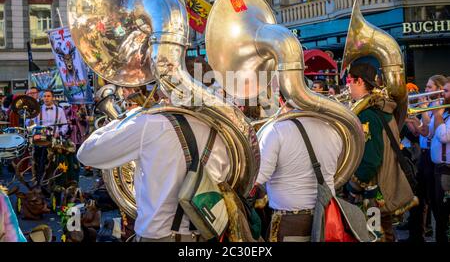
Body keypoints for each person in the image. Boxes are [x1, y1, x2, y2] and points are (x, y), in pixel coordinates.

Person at [76, 101, 230, 242]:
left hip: (158, 236)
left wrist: (127, 117)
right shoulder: (221, 132)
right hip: (205, 236)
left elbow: (86, 153)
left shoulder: (148, 124)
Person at [255, 92, 342, 242]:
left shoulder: (276, 130)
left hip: (290, 221)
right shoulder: (333, 130)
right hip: (327, 217)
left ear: (281, 100)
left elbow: (258, 177)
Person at [345, 63, 416, 242]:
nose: (347, 86)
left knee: (375, 236)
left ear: (359, 81)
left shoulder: (367, 115)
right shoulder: (382, 109)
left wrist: (353, 188)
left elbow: (370, 160)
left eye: (349, 81)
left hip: (373, 194)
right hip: (383, 189)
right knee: (384, 232)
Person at [404, 75, 447, 242]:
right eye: (427, 87)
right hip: (423, 154)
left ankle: (436, 234)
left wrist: (423, 109)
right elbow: (420, 132)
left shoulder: (438, 109)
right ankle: (417, 236)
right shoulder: (430, 106)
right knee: (418, 199)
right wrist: (411, 119)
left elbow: (431, 133)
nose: (426, 90)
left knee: (435, 203)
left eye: (430, 87)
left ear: (439, 89)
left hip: (432, 156)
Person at [28, 90, 68, 184]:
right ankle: (40, 181)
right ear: (42, 98)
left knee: (55, 162)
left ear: (53, 98)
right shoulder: (38, 110)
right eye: (44, 96)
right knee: (40, 161)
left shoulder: (60, 110)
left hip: (55, 139)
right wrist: (30, 124)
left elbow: (65, 125)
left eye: (48, 96)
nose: (46, 98)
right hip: (41, 140)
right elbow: (30, 125)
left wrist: (60, 132)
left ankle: (54, 181)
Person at [427, 77, 450, 242]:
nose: (442, 94)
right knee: (439, 212)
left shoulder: (442, 114)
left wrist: (436, 114)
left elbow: (443, 136)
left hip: (447, 171)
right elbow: (430, 133)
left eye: (446, 91)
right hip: (439, 168)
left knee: (443, 214)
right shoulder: (445, 113)